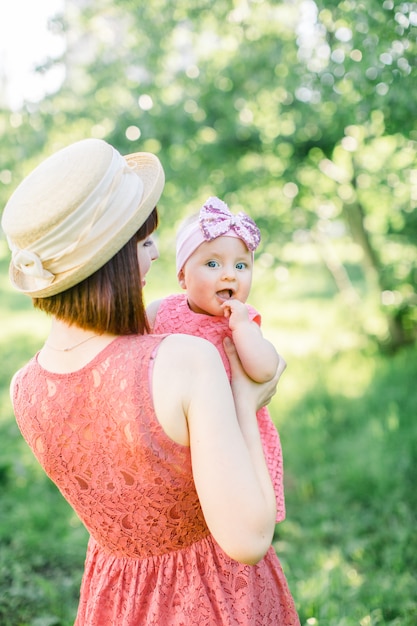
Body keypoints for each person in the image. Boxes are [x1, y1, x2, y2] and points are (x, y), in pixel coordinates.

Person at [1, 138, 300, 625]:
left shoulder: (24, 387)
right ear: (111, 258)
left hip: (116, 601)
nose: (157, 254)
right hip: (216, 598)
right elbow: (248, 541)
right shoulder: (186, 361)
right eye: (143, 242)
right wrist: (246, 403)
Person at [147, 197, 286, 523]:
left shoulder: (243, 321)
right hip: (175, 430)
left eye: (241, 266)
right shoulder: (160, 311)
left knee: (227, 509)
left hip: (233, 432)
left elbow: (266, 371)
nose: (229, 276)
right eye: (212, 265)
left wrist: (241, 328)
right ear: (183, 277)